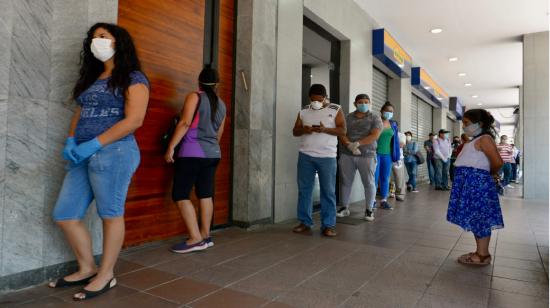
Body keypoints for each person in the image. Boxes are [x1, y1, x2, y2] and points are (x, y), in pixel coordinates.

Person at [49, 23, 149, 300]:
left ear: (119, 42)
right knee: (65, 214)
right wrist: (72, 141)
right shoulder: (93, 78)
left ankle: (106, 274)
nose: (97, 42)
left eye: (103, 37)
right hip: (81, 154)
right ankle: (86, 267)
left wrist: (96, 143)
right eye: (93, 38)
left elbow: (134, 120)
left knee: (110, 213)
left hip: (115, 152)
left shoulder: (133, 77)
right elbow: (80, 113)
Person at [164, 67, 227, 254]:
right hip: (213, 154)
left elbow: (184, 123)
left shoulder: (195, 97)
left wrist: (171, 147)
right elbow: (219, 134)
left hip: (192, 153)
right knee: (205, 194)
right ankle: (206, 236)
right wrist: (211, 148)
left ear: (199, 81)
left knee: (181, 194)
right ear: (217, 84)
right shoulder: (222, 104)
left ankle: (195, 238)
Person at [447, 109, 504, 266]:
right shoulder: (474, 140)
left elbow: (498, 162)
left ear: (480, 124)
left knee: (480, 218)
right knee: (476, 218)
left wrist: (488, 175)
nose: (464, 126)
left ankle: (483, 255)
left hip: (477, 185)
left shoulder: (485, 139)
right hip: (471, 185)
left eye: (466, 123)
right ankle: (480, 251)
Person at [292, 84, 346, 236]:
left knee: (328, 191)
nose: (316, 102)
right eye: (313, 100)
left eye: (319, 99)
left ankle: (328, 225)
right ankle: (304, 222)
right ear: (309, 98)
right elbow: (295, 131)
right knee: (304, 191)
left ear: (325, 97)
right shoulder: (303, 111)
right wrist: (305, 129)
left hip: (327, 157)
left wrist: (325, 129)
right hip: (305, 156)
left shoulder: (335, 109)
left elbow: (343, 130)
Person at [336, 94, 382, 221]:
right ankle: (344, 207)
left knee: (368, 182)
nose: (363, 104)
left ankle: (369, 210)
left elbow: (375, 135)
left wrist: (358, 143)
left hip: (367, 154)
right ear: (355, 103)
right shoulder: (347, 117)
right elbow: (341, 133)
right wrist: (349, 145)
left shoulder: (375, 117)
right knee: (346, 182)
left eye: (366, 102)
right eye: (361, 102)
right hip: (347, 153)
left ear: (370, 103)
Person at [374, 102, 400, 210]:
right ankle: (372, 200)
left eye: (391, 111)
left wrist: (396, 156)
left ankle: (384, 200)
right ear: (381, 111)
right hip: (375, 154)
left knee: (385, 178)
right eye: (387, 111)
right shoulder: (375, 122)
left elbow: (396, 142)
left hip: (387, 155)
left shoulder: (393, 124)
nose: (389, 113)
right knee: (374, 178)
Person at [391, 131, 407, 201]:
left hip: (398, 158)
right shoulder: (386, 132)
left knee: (399, 177)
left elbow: (401, 145)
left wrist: (392, 143)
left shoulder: (401, 135)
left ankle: (400, 194)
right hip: (387, 157)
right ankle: (390, 192)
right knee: (388, 177)